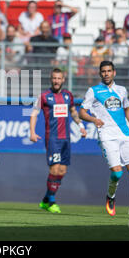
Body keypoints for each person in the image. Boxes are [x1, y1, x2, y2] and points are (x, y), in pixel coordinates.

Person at [79, 60, 129, 219]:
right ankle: (110, 196)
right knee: (117, 173)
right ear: (100, 73)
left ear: (114, 72)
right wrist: (94, 120)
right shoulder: (93, 91)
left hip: (125, 134)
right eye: (103, 71)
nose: (106, 73)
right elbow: (82, 112)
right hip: (107, 136)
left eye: (109, 71)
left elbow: (127, 108)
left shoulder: (122, 90)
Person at [30, 68, 87, 213]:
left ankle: (45, 200)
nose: (56, 81)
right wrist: (32, 132)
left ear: (63, 80)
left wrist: (81, 126)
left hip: (66, 138)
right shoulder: (44, 96)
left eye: (59, 78)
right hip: (52, 138)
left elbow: (73, 111)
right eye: (54, 78)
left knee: (62, 170)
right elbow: (34, 113)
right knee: (54, 169)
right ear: (51, 79)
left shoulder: (68, 95)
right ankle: (52, 202)